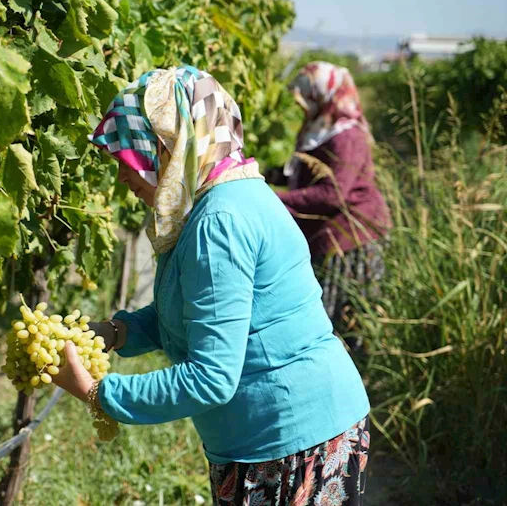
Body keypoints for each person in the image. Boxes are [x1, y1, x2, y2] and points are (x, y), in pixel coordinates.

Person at [53, 66, 371, 505]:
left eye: (129, 159)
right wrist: (116, 332)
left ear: (169, 145)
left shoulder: (219, 221)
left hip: (290, 439)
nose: (122, 177)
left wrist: (96, 393)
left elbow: (211, 377)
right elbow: (200, 311)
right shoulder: (221, 199)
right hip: (269, 438)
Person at [276, 62, 391, 348]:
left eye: (307, 97)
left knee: (340, 319)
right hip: (328, 237)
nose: (301, 105)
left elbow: (331, 194)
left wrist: (273, 199)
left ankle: (348, 379)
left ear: (324, 95)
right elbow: (307, 171)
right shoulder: (322, 129)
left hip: (350, 240)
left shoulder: (346, 136)